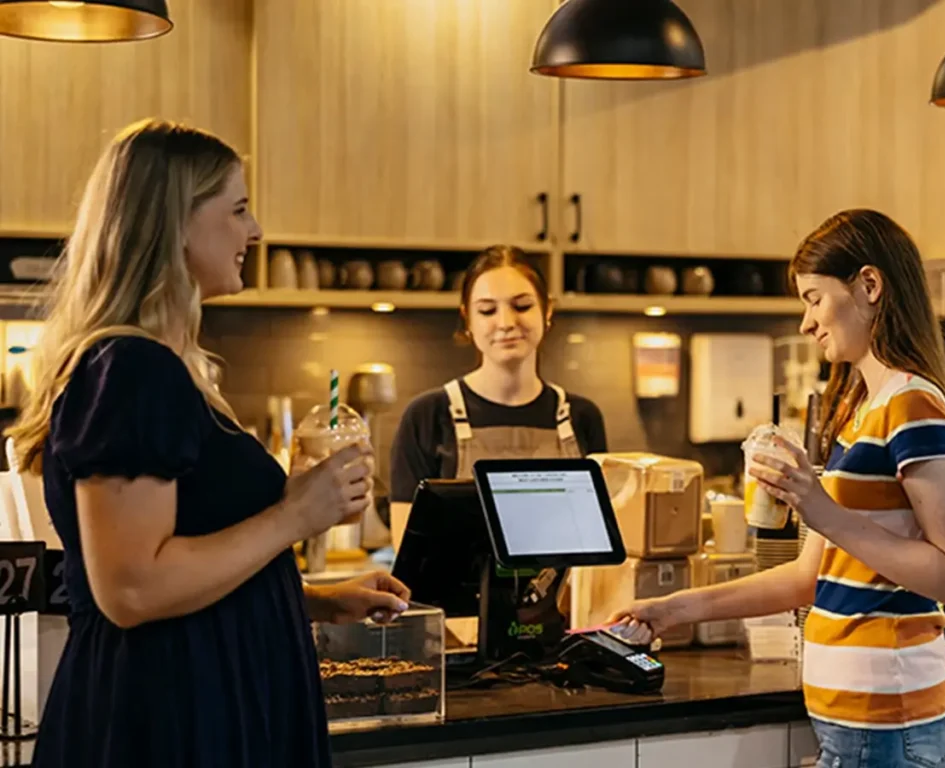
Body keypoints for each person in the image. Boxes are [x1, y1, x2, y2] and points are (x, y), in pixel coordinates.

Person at [10, 119, 410, 768]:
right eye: (240, 209)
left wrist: (314, 599)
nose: (255, 231)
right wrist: (295, 516)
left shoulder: (170, 367)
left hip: (207, 693)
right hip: (170, 714)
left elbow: (187, 561)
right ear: (174, 223)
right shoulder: (131, 369)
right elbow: (132, 589)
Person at [610, 210, 945, 768]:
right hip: (857, 725)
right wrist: (676, 609)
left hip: (890, 723)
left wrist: (821, 508)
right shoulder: (864, 409)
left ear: (869, 285)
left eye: (813, 297)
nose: (807, 322)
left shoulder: (913, 407)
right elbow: (809, 578)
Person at [388, 245, 608, 551]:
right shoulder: (428, 415)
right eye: (487, 310)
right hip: (457, 600)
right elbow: (408, 553)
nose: (505, 322)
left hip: (564, 600)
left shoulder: (580, 417)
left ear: (547, 311)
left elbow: (597, 542)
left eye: (522, 306)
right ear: (467, 319)